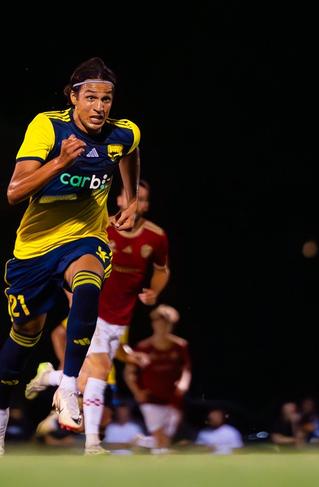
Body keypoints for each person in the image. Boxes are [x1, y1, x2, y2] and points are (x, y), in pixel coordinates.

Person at [0, 57, 140, 455]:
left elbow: (130, 150)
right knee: (27, 331)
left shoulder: (121, 133)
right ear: (73, 97)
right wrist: (61, 161)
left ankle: (68, 387)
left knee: (88, 280)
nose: (100, 107)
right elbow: (14, 191)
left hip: (85, 238)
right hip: (34, 249)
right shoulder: (47, 126)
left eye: (107, 99)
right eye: (91, 97)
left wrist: (129, 198)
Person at [25, 179, 169, 454]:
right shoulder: (101, 226)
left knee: (85, 380)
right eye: (129, 196)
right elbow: (71, 260)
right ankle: (93, 444)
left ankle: (48, 378)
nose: (134, 203)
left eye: (141, 199)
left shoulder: (156, 237)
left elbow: (162, 270)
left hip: (120, 320)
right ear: (118, 201)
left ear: (146, 205)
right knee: (101, 369)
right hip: (94, 311)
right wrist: (73, 298)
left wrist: (155, 291)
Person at [124, 304, 191, 454]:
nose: (162, 327)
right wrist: (137, 391)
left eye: (167, 324)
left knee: (166, 437)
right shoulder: (143, 347)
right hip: (149, 397)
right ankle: (161, 461)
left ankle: (143, 442)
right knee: (160, 435)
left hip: (173, 398)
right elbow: (129, 372)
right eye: (159, 323)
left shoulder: (180, 346)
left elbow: (186, 369)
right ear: (153, 324)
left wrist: (183, 384)